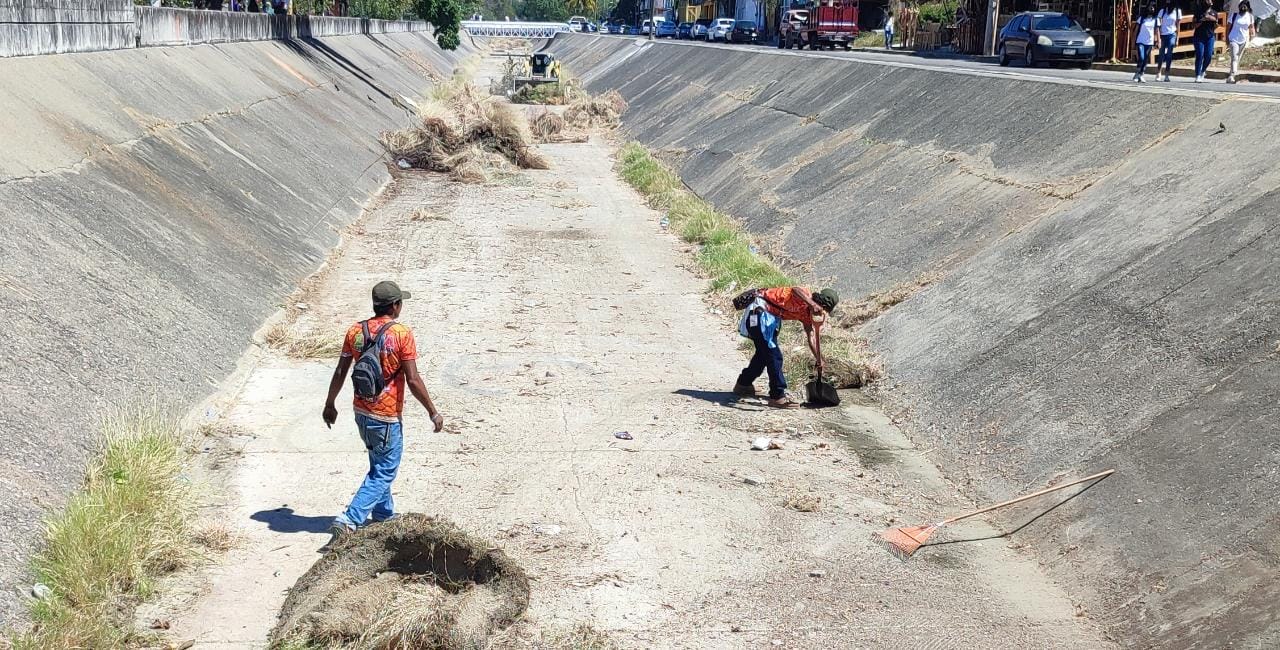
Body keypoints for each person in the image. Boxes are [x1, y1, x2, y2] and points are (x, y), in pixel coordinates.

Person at [322, 281, 444, 544]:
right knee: (385, 470)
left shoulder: (355, 331)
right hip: (386, 416)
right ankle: (350, 520)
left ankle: (383, 514)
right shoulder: (401, 334)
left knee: (378, 462)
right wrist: (432, 412)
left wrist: (330, 404)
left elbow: (341, 371)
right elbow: (412, 379)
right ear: (395, 305)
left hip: (361, 412)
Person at [734, 286, 840, 409]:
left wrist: (819, 358)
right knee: (774, 356)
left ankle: (743, 384)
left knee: (763, 355)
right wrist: (811, 304)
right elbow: (794, 289)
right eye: (824, 310)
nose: (822, 313)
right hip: (759, 312)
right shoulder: (804, 295)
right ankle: (777, 397)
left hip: (769, 319)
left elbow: (811, 336)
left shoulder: (806, 314)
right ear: (822, 304)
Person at [1226, 0, 1256, 83]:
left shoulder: (1250, 16)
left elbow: (1251, 27)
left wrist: (1252, 35)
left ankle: (1231, 75)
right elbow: (1228, 27)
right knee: (1235, 57)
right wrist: (1227, 39)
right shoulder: (1234, 15)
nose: (1243, 7)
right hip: (1233, 39)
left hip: (1243, 40)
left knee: (1237, 58)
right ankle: (1232, 75)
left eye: (1245, 5)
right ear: (1239, 7)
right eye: (1242, 5)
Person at [1192, 0, 1220, 82]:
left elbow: (1216, 25)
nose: (1208, 2)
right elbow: (1193, 25)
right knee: (1200, 55)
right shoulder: (1198, 12)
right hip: (1199, 36)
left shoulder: (1214, 13)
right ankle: (1197, 75)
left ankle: (1203, 71)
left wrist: (1212, 19)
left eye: (1210, 0)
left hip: (1210, 37)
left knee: (1208, 56)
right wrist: (1202, 20)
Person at [1155, 0, 1183, 81]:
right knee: (1161, 55)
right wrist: (1158, 39)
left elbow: (1178, 25)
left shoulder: (1177, 11)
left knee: (1169, 54)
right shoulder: (1162, 11)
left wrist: (1177, 38)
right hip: (1163, 34)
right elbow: (1158, 25)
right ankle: (1159, 72)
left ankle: (1167, 74)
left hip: (1172, 34)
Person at [1134, 4, 1159, 82]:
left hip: (1149, 42)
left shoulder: (1156, 19)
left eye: (1153, 8)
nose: (1152, 9)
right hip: (1141, 41)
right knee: (1141, 57)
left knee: (1145, 59)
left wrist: (1158, 41)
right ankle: (1138, 72)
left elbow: (1157, 31)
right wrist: (1133, 41)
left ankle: (1141, 74)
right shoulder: (1141, 19)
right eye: (1150, 7)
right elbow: (1135, 30)